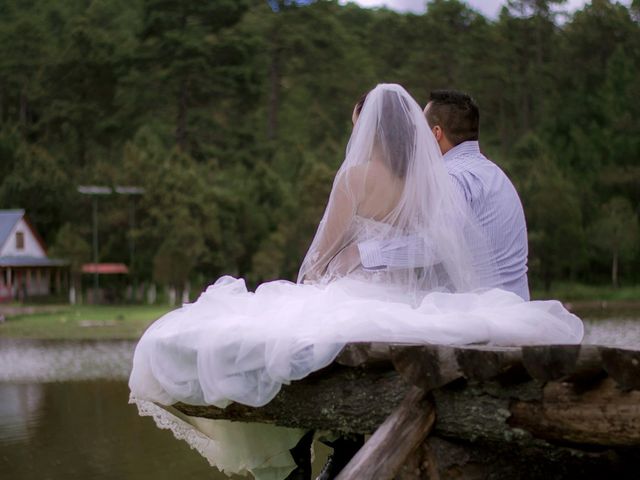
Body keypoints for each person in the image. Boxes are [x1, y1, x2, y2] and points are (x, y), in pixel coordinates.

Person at [129, 84, 583, 480]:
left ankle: (305, 451)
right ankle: (336, 445)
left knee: (284, 334)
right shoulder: (447, 179)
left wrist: (345, 263)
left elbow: (409, 250)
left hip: (456, 301)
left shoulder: (427, 179)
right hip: (446, 300)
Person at [357, 89, 530, 300]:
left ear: (436, 133)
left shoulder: (450, 178)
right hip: (517, 309)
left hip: (479, 316)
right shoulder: (496, 175)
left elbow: (437, 245)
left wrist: (364, 253)